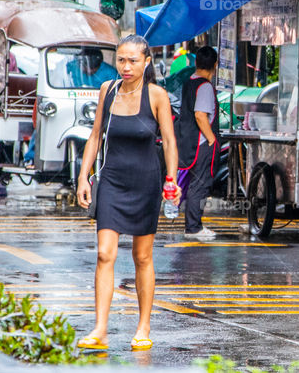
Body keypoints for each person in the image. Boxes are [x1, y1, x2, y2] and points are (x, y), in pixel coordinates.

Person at [76, 35, 181, 351]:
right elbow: (95, 137)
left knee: (142, 256)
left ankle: (144, 326)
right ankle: (100, 329)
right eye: (121, 59)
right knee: (104, 253)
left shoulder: (157, 95)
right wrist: (84, 177)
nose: (126, 66)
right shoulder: (107, 91)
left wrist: (172, 179)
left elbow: (170, 141)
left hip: (146, 182)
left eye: (133, 60)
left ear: (146, 62)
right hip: (110, 180)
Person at [177, 46, 219, 241]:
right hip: (201, 143)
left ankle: (193, 225)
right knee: (200, 185)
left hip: (188, 141)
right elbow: (201, 115)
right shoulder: (205, 87)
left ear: (196, 63)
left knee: (195, 184)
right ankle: (194, 227)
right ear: (215, 65)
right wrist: (211, 139)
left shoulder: (189, 82)